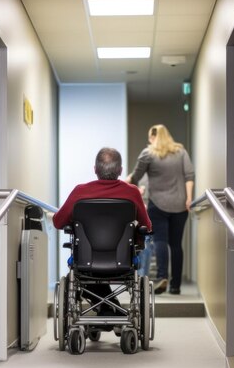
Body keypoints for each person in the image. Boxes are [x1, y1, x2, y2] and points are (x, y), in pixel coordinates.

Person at [53, 147, 152, 314]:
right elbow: (147, 226)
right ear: (120, 171)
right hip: (123, 260)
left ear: (95, 170)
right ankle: (112, 309)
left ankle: (109, 308)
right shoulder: (132, 192)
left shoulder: (80, 192)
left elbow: (57, 222)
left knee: (81, 271)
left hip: (86, 261)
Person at [127, 124, 194, 294]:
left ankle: (162, 276)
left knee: (160, 241)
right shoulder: (181, 152)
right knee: (176, 244)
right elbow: (189, 176)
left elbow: (136, 176)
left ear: (152, 137)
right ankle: (176, 285)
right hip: (180, 205)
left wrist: (124, 182)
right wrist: (188, 198)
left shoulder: (148, 153)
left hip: (157, 204)